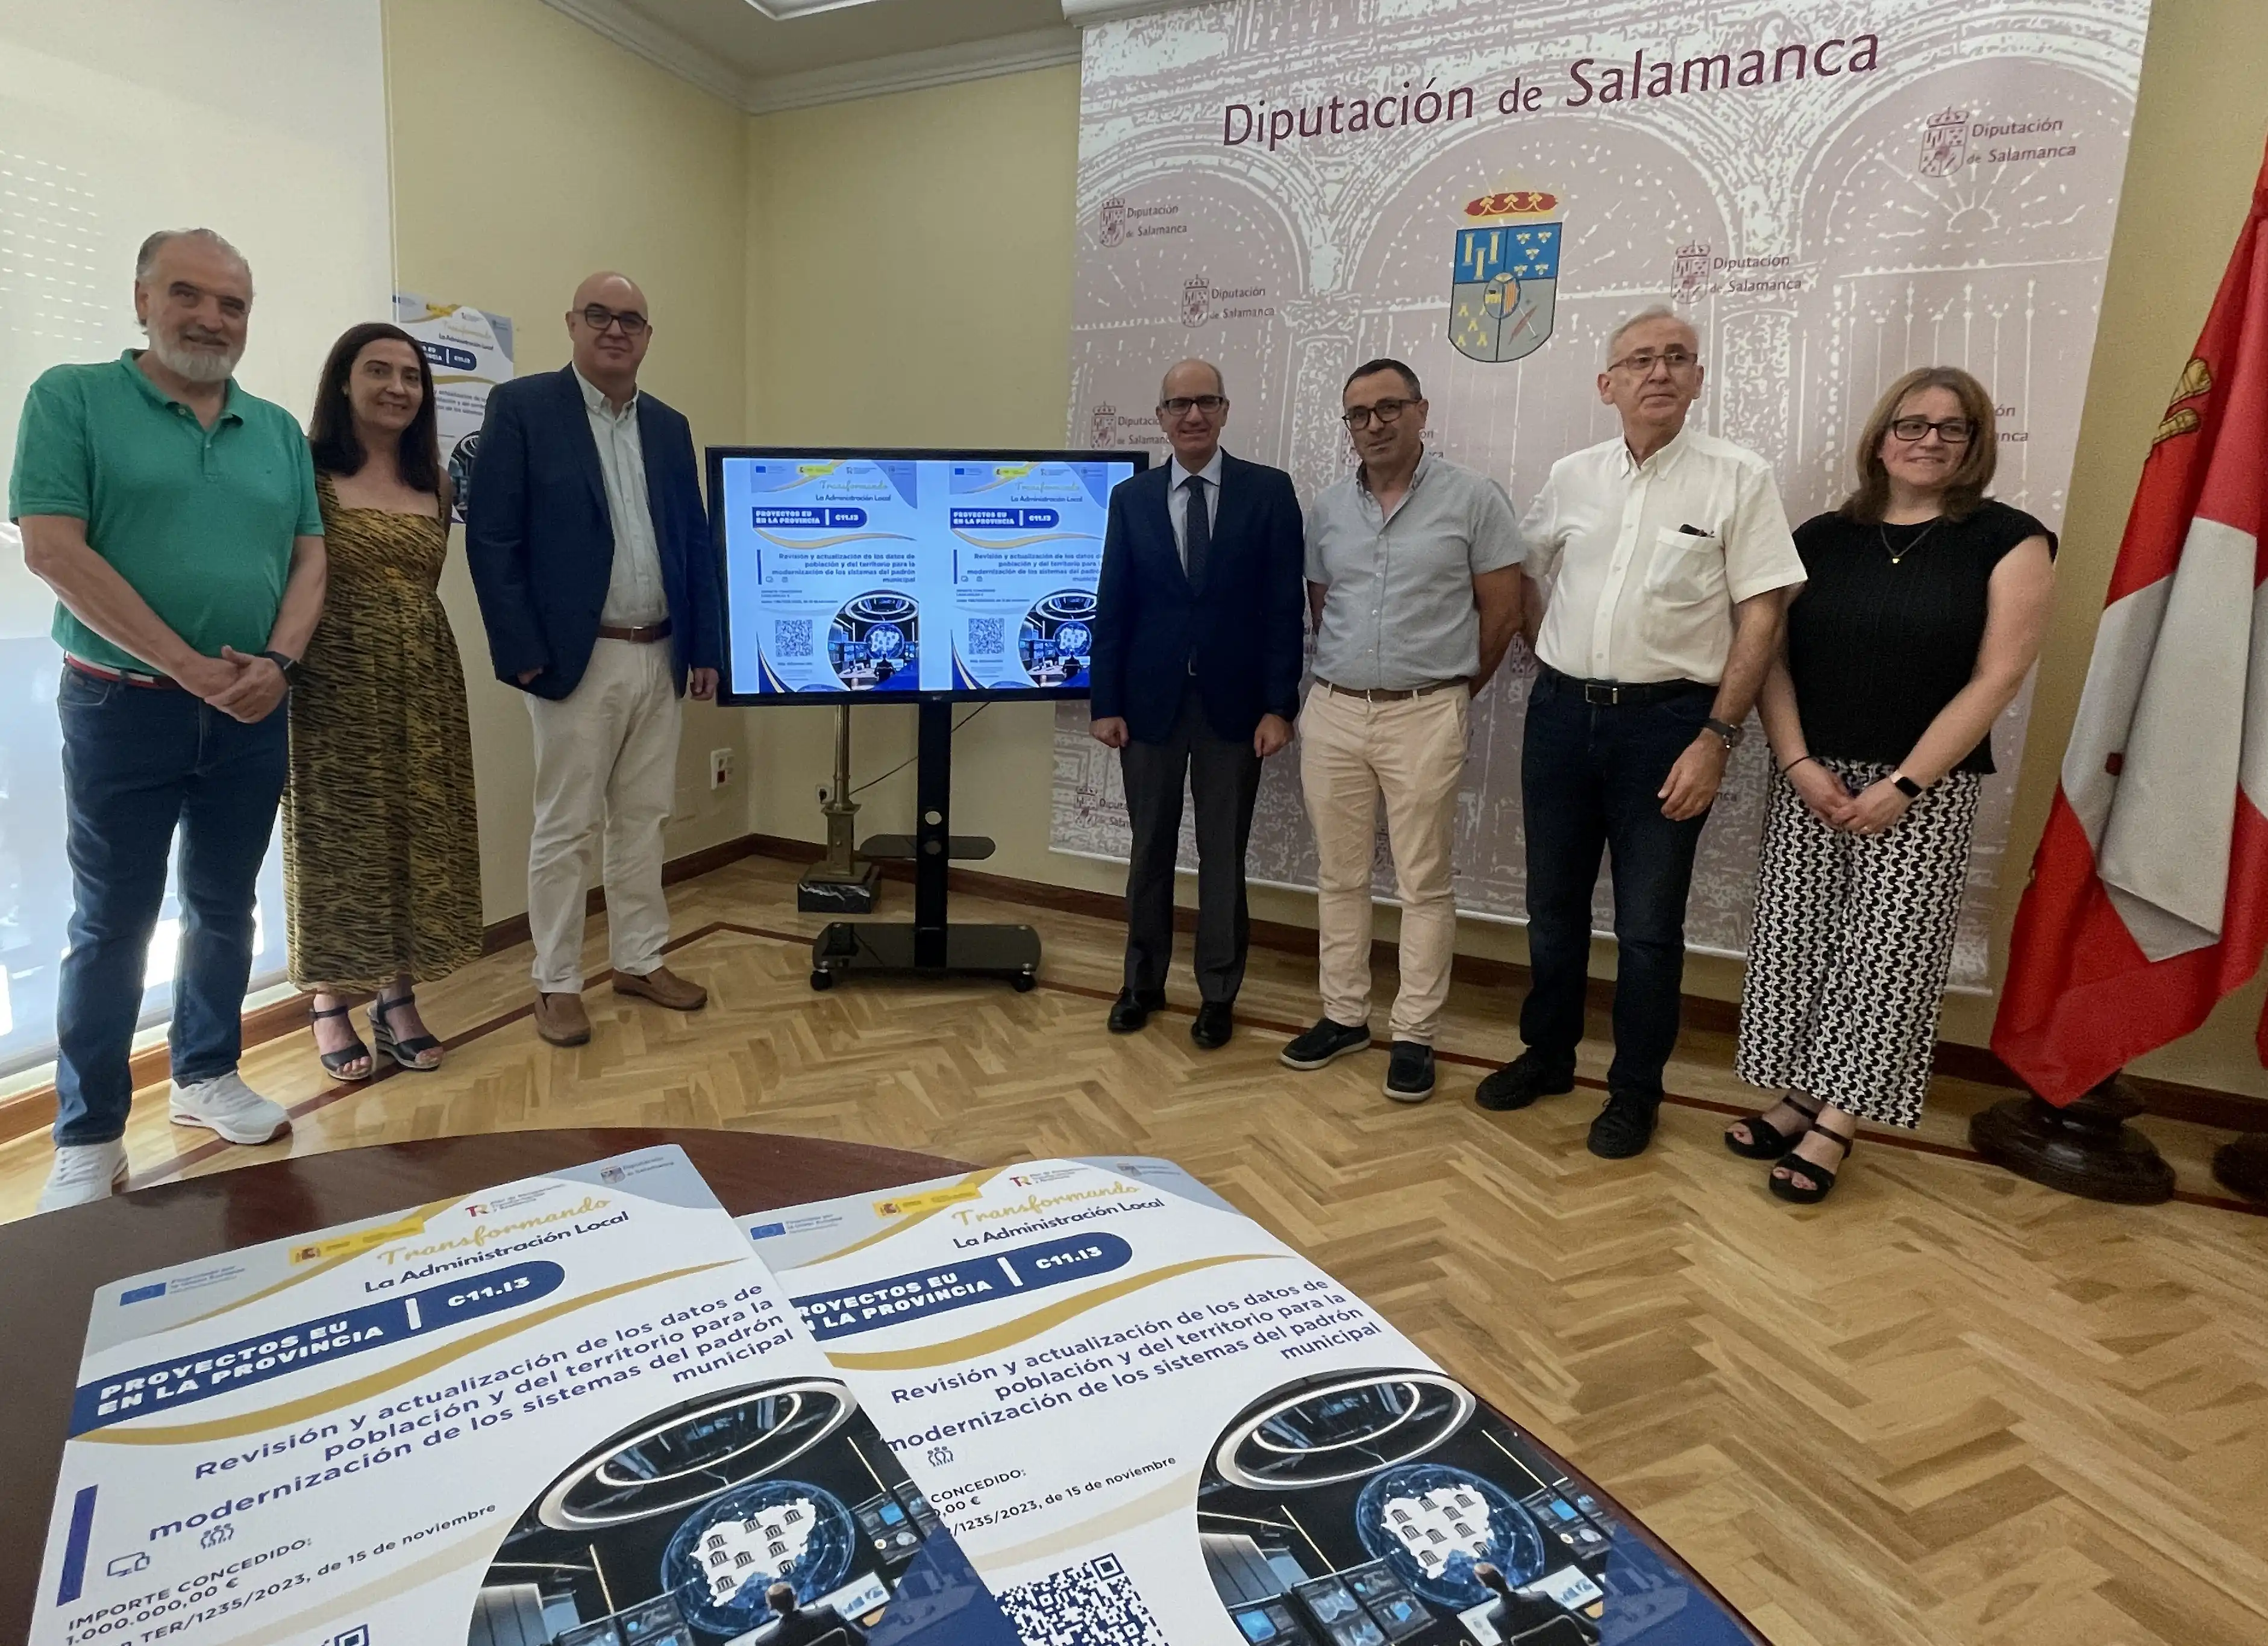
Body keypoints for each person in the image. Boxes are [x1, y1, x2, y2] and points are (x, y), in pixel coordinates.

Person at [12, 228, 325, 1211]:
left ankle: (206, 1074)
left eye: (233, 304)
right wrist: (187, 667)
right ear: (143, 299)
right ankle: (90, 1133)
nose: (211, 319)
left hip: (251, 710)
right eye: (188, 294)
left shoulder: (275, 430)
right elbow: (53, 548)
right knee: (113, 921)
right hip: (122, 706)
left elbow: (310, 556)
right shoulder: (72, 398)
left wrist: (278, 664)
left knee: (226, 907)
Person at [1480, 307, 1805, 1159]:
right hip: (1560, 718)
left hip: (1669, 728)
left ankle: (1634, 1092)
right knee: (1551, 909)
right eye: (1637, 361)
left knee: (1649, 928)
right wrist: (1551, 650)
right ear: (1607, 384)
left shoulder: (1738, 477)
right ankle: (1548, 1056)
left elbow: (1762, 614)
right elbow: (1524, 571)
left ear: (1698, 378)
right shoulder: (1572, 476)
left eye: (1674, 358)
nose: (1657, 372)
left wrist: (1716, 737)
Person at [1729, 367, 2055, 1202]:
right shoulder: (1819, 538)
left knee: (1886, 957)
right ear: (1881, 439)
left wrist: (1905, 784)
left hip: (1924, 789)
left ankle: (1837, 1121)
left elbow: (1998, 676)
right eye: (1912, 424)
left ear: (1975, 443)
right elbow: (1769, 655)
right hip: (1811, 774)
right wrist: (1797, 763)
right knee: (1799, 943)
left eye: (1952, 428)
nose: (1929, 440)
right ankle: (1801, 1094)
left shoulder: (2010, 540)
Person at [466, 272, 722, 1047]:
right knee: (567, 826)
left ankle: (639, 958)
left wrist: (704, 644)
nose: (616, 330)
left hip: (661, 651)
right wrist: (522, 654)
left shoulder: (669, 426)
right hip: (575, 660)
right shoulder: (523, 409)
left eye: (631, 320)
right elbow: (493, 539)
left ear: (648, 335)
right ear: (573, 324)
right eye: (600, 316)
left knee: (644, 818)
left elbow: (693, 540)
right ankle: (556, 981)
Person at [1282, 358, 1524, 1103]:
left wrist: (1448, 693)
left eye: (1389, 407)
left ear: (1420, 410)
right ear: (1347, 426)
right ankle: (1343, 1015)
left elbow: (1503, 612)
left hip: (1425, 711)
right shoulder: (1328, 508)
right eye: (1358, 414)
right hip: (1333, 709)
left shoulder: (1473, 498)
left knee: (1423, 881)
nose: (1374, 424)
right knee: (1338, 875)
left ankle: (1414, 1032)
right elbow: (1324, 606)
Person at [286, 322, 483, 1080]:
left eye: (411, 375)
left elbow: (425, 581)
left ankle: (396, 994)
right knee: (342, 839)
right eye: (379, 371)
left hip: (424, 676)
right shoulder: (306, 471)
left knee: (416, 830)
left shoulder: (436, 482)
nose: (397, 388)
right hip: (332, 679)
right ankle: (330, 1000)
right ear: (344, 381)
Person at [1089, 359, 1305, 1048]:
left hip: (1233, 711)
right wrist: (1104, 701)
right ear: (1159, 417)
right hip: (1147, 708)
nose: (1192, 415)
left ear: (1224, 409)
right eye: (1178, 404)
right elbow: (1113, 605)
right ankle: (1140, 983)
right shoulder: (1131, 498)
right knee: (1148, 850)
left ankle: (1217, 993)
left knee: (1222, 856)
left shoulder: (1268, 492)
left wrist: (1279, 706)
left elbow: (1283, 609)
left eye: (1205, 401)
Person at [751, 1580, 864, 1646]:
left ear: (771, 1608)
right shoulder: (828, 1614)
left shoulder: (766, 1643)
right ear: (795, 1597)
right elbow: (860, 1641)